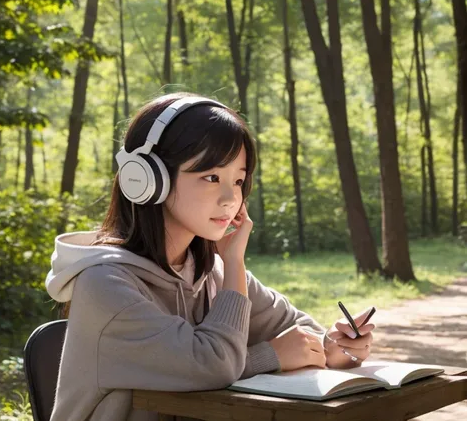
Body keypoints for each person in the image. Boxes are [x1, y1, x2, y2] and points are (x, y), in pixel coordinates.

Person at [46, 92, 375, 421]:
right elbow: (210, 364)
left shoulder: (211, 271)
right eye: (211, 177)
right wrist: (271, 354)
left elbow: (297, 329)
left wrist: (331, 346)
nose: (230, 197)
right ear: (146, 179)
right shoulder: (104, 284)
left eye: (239, 180)